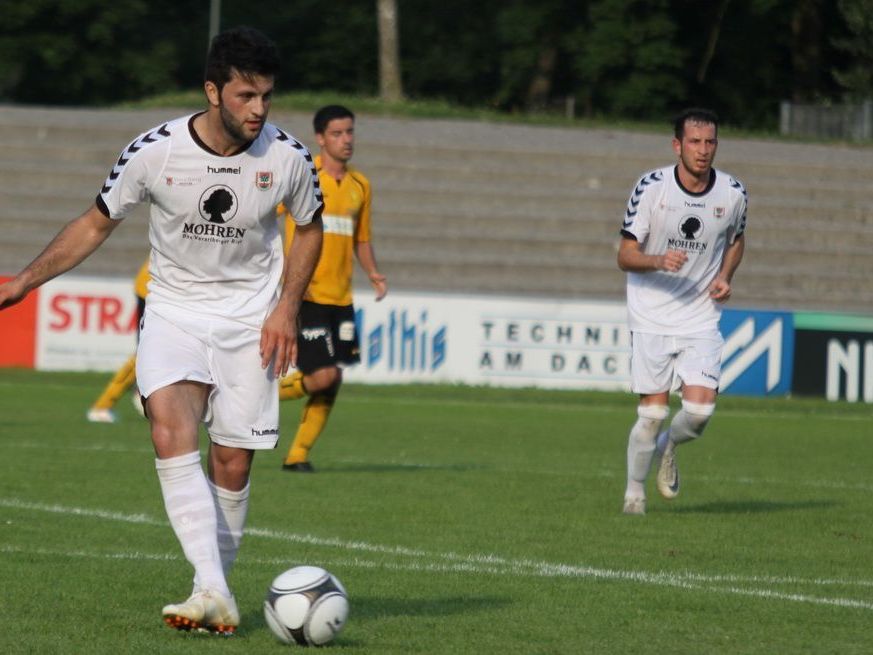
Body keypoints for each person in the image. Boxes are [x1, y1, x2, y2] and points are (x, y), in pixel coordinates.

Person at [0, 26, 324, 634]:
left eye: (267, 97)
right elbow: (95, 224)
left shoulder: (287, 157)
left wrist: (287, 307)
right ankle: (214, 591)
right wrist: (26, 279)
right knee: (169, 428)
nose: (258, 110)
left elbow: (309, 228)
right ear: (212, 91)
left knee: (231, 461)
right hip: (173, 308)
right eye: (245, 96)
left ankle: (213, 591)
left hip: (250, 317)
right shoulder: (155, 151)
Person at [618, 108, 747, 516]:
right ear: (677, 145)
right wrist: (657, 261)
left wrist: (725, 275)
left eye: (710, 142)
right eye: (694, 142)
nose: (703, 150)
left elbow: (736, 239)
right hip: (651, 313)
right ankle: (634, 494)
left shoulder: (732, 193)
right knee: (653, 412)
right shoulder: (651, 188)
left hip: (699, 314)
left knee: (699, 411)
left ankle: (668, 447)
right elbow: (624, 255)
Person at [277, 105, 387, 472]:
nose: (347, 140)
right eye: (338, 134)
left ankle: (297, 456)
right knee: (323, 375)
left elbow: (362, 238)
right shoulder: (305, 175)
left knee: (331, 381)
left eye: (350, 132)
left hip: (341, 298)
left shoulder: (361, 185)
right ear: (321, 139)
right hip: (306, 293)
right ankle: (252, 398)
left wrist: (373, 273)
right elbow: (263, 212)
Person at [87, 258, 150, 423]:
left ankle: (142, 391)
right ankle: (102, 406)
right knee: (146, 352)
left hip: (156, 287)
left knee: (152, 353)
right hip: (153, 289)